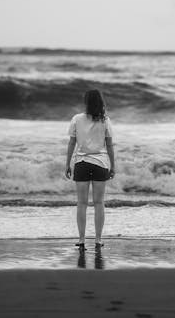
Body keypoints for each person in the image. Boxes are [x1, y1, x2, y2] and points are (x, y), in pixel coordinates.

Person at [65, 89, 115, 248]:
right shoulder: (105, 120)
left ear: (86, 101)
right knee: (99, 203)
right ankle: (98, 239)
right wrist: (113, 165)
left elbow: (72, 143)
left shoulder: (77, 119)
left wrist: (67, 164)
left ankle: (81, 239)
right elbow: (109, 145)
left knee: (82, 203)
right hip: (100, 163)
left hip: (81, 163)